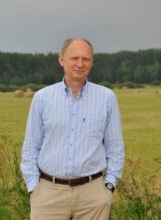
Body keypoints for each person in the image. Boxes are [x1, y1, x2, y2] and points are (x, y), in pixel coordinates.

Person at [20, 38, 125, 220]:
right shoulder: (42, 98)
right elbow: (31, 147)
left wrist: (109, 186)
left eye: (86, 59)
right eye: (74, 58)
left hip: (93, 196)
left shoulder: (107, 98)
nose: (80, 64)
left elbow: (115, 147)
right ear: (62, 60)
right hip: (48, 194)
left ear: (92, 62)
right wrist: (33, 188)